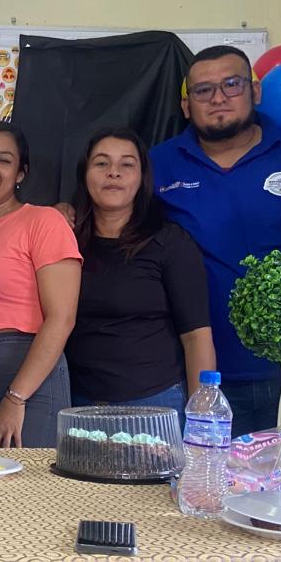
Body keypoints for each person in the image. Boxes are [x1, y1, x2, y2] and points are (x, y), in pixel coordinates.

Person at [150, 45, 281, 435]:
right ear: (186, 105)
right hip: (197, 375)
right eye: (203, 90)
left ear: (255, 91)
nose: (218, 98)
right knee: (210, 474)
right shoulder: (158, 164)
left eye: (231, 84)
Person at [67, 129, 216, 413]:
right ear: (84, 174)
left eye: (127, 164)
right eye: (101, 163)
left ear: (142, 177)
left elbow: (196, 336)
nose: (113, 172)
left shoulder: (169, 241)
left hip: (155, 402)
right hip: (78, 404)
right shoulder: (64, 239)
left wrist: (202, 418)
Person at [0, 121, 80, 448]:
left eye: (3, 160)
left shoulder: (44, 221)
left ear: (20, 173)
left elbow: (62, 318)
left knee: (28, 478)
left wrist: (16, 398)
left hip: (30, 379)